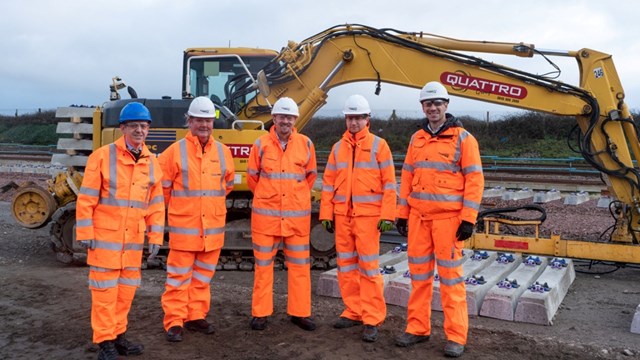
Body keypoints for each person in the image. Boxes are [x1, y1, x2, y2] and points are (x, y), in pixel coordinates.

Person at [395, 82, 484, 358]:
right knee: (419, 277)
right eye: (428, 103)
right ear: (423, 107)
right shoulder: (416, 138)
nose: (432, 108)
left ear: (446, 105)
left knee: (450, 280)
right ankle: (417, 328)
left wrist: (468, 219)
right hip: (419, 220)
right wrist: (401, 213)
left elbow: (475, 179)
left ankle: (456, 336)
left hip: (448, 222)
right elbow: (407, 176)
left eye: (437, 103)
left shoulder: (463, 138)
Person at [75, 102, 165, 360]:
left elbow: (156, 205)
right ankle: (104, 343)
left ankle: (118, 336)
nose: (139, 130)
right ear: (123, 128)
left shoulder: (151, 163)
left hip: (132, 243)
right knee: (105, 295)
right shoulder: (102, 157)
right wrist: (85, 232)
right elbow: (87, 198)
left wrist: (156, 236)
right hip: (104, 241)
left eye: (144, 126)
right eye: (134, 126)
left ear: (148, 129)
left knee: (125, 294)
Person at [319, 94, 397, 343]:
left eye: (359, 118)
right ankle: (353, 310)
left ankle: (372, 318)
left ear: (367, 119)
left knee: (369, 269)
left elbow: (389, 184)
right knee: (347, 268)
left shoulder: (379, 145)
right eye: (350, 118)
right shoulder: (337, 148)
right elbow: (328, 183)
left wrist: (387, 214)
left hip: (368, 219)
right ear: (346, 119)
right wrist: (326, 213)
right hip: (343, 217)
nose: (354, 122)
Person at [158, 96, 235, 342]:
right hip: (185, 230)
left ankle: (196, 315)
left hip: (211, 231)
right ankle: (175, 321)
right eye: (199, 120)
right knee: (178, 278)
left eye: (208, 120)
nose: (204, 125)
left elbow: (227, 186)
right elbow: (162, 192)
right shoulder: (173, 153)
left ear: (214, 122)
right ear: (189, 121)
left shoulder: (223, 153)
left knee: (202, 278)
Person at [246, 97, 318, 331]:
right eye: (281, 116)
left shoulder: (306, 144)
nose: (285, 121)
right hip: (266, 220)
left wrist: (293, 200)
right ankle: (260, 313)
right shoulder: (260, 144)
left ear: (295, 119)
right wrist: (270, 198)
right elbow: (252, 179)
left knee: (299, 268)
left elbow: (310, 177)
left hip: (296, 221)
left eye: (289, 117)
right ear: (274, 118)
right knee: (263, 267)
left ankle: (300, 313)